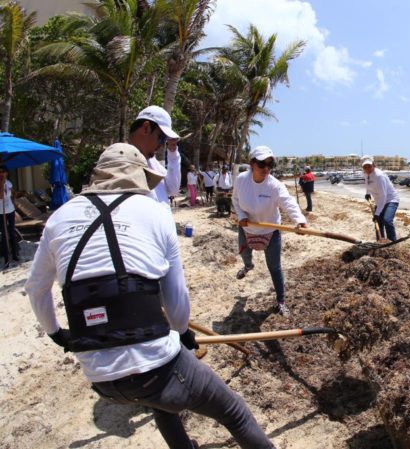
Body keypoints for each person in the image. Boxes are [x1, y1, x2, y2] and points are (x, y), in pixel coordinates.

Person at [25, 144, 275, 449]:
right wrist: (182, 334)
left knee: (160, 396)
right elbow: (176, 300)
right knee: (234, 413)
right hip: (155, 371)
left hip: (100, 379)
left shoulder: (58, 218)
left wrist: (57, 335)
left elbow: (35, 289)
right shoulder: (155, 212)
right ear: (138, 177)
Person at [233, 145, 307, 317]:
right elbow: (235, 200)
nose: (266, 169)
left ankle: (281, 302)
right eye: (262, 164)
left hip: (270, 230)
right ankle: (248, 265)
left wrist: (300, 220)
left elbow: (288, 202)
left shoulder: (274, 185)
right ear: (252, 164)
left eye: (270, 165)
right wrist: (241, 215)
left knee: (274, 267)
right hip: (247, 226)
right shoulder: (241, 180)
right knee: (244, 252)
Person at [130, 105, 181, 209]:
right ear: (146, 128)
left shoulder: (152, 162)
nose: (162, 145)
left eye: (165, 140)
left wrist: (173, 155)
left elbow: (173, 189)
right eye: (161, 138)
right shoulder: (119, 162)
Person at [362, 155, 400, 241]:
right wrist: (367, 193)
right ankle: (380, 241)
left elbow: (383, 196)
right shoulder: (365, 173)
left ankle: (392, 241)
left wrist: (377, 213)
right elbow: (368, 183)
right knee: (378, 222)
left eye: (369, 166)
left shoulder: (379, 176)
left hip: (391, 199)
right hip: (380, 201)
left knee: (387, 220)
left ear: (373, 165)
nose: (367, 168)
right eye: (365, 167)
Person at [0, 165, 19, 266]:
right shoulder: (2, 182)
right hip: (1, 212)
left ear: (7, 173)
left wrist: (13, 200)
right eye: (0, 172)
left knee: (12, 231)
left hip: (10, 210)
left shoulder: (8, 183)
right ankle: (6, 256)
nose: (2, 173)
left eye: (3, 172)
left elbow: (13, 193)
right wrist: (1, 184)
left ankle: (15, 254)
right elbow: (1, 196)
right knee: (4, 234)